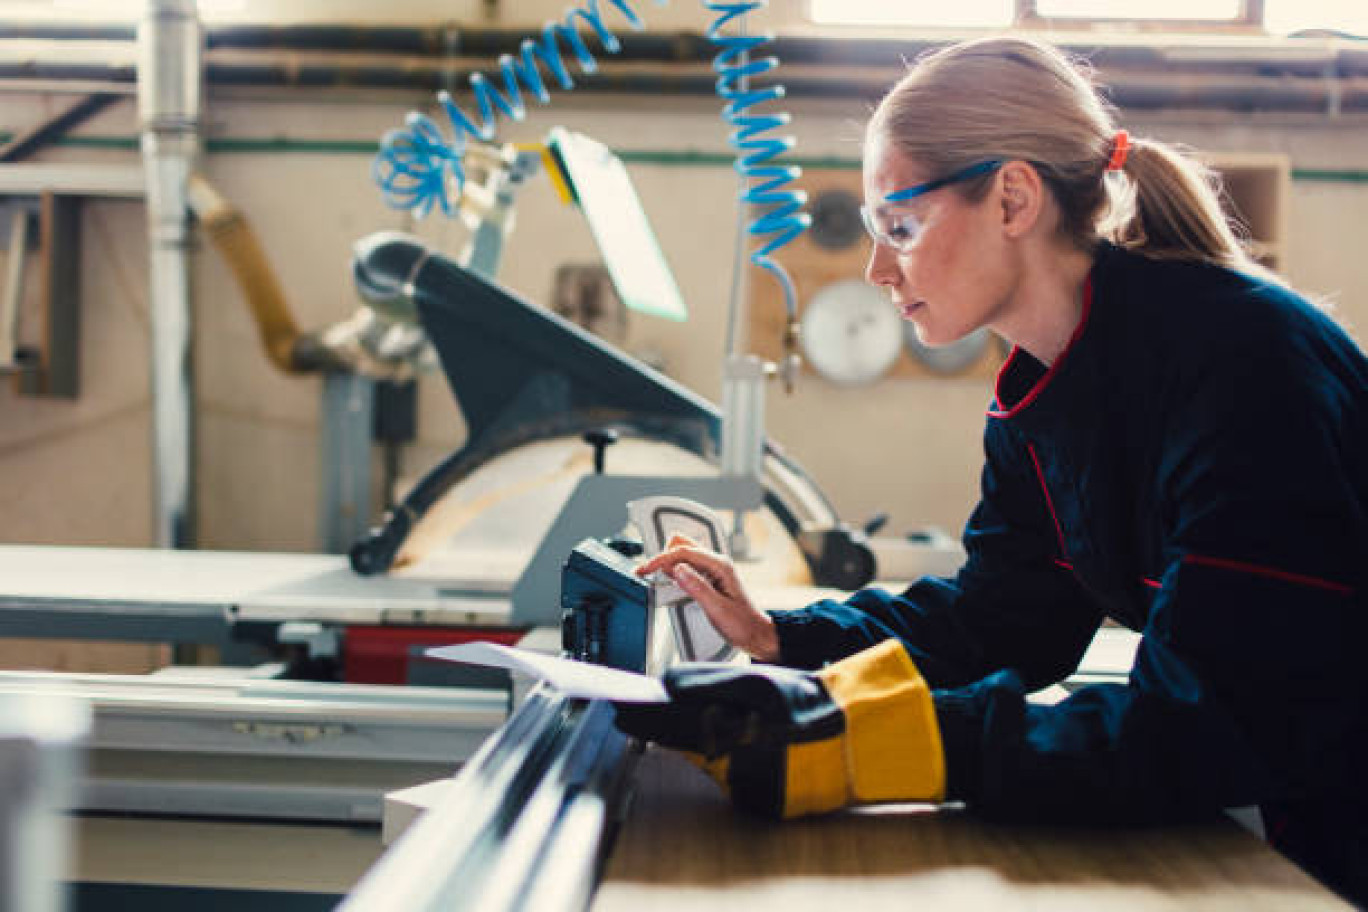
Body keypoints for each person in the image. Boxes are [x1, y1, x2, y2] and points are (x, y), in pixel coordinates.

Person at [612, 35, 1367, 905]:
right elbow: (1006, 621)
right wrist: (786, 642)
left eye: (899, 225)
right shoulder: (1047, 389)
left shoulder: (1242, 366)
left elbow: (1208, 724)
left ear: (1012, 197)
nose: (877, 270)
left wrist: (877, 741)